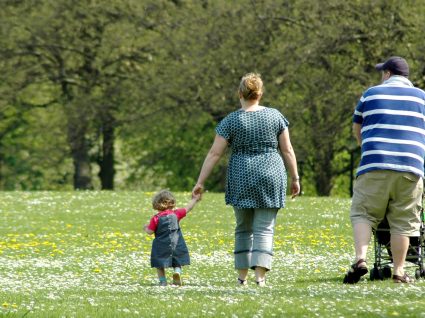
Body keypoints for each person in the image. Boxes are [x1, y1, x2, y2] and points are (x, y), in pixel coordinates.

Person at [192, 73, 300, 287]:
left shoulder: (231, 120)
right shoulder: (276, 116)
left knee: (243, 228)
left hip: (242, 174)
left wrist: (200, 182)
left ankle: (242, 278)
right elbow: (287, 149)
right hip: (271, 174)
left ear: (239, 93)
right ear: (260, 93)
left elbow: (214, 154)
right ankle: (260, 278)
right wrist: (295, 177)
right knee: (265, 228)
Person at [344, 56, 425, 284]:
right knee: (402, 222)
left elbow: (356, 127)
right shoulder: (422, 97)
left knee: (363, 214)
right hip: (410, 167)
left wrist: (365, 148)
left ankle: (360, 259)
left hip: (375, 163)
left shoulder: (371, 93)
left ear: (387, 74)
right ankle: (399, 271)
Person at [144, 189, 200, 286]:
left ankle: (162, 281)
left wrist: (145, 227)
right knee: (177, 260)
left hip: (161, 246)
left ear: (157, 204)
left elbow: (150, 232)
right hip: (176, 243)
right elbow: (188, 208)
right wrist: (194, 199)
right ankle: (177, 272)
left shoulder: (156, 218)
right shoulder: (176, 214)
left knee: (159, 264)